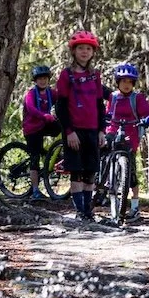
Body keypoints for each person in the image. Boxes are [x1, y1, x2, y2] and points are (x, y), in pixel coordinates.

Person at [55, 30, 106, 223]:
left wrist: (102, 129)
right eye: (80, 48)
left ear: (93, 52)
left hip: (92, 130)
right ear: (74, 51)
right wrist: (69, 132)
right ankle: (79, 211)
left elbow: (100, 104)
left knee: (90, 171)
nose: (84, 52)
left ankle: (88, 211)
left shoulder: (95, 76)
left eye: (88, 49)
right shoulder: (66, 75)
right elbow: (60, 106)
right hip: (74, 131)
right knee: (76, 172)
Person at [105, 62, 149, 221]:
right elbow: (108, 113)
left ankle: (134, 207)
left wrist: (148, 119)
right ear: (118, 82)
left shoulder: (138, 98)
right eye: (123, 81)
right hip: (113, 132)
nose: (126, 85)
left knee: (131, 173)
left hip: (131, 135)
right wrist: (104, 119)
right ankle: (101, 183)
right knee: (103, 150)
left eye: (130, 82)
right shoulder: (113, 97)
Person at [20, 64, 61, 203]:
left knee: (62, 129)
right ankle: (36, 190)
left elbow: (62, 99)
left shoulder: (51, 93)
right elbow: (31, 109)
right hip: (31, 128)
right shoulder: (31, 94)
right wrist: (45, 116)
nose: (42, 81)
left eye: (45, 78)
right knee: (35, 157)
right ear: (35, 80)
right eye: (40, 79)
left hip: (44, 125)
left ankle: (54, 156)